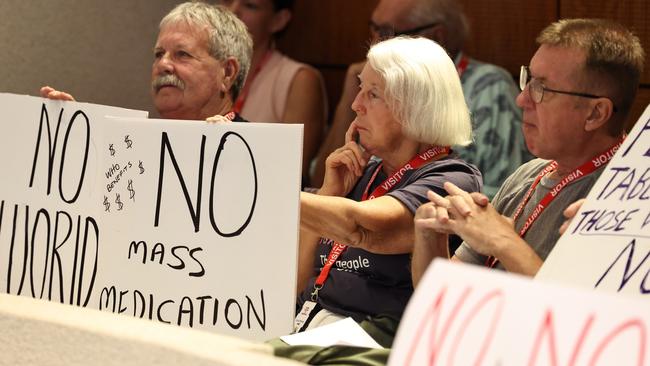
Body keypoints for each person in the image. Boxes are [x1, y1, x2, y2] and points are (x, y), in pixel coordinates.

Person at [270, 36, 482, 364]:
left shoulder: (451, 179)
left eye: (373, 94)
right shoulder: (360, 174)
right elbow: (293, 287)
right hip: (313, 325)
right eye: (359, 89)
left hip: (382, 336)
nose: (356, 105)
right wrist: (329, 192)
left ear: (415, 107)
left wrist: (258, 191)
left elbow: (361, 227)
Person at [411, 18, 645, 285]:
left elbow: (576, 316)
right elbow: (438, 298)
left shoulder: (624, 204)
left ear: (595, 113)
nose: (522, 99)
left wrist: (503, 242)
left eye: (542, 88)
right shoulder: (528, 174)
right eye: (529, 80)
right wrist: (429, 236)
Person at [311, 0, 531, 198]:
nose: (376, 41)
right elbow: (320, 178)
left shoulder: (490, 87)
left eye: (387, 31)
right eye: (373, 27)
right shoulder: (371, 164)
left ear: (437, 36)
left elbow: (507, 195)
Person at [41, 2, 253, 123]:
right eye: (159, 54)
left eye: (182, 54)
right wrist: (74, 136)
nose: (163, 65)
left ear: (227, 73)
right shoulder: (136, 147)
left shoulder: (260, 154)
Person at [219, 0, 328, 185]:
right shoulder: (201, 72)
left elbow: (289, 173)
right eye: (227, 0)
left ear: (278, 20)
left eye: (250, 5)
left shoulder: (299, 79)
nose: (233, 11)